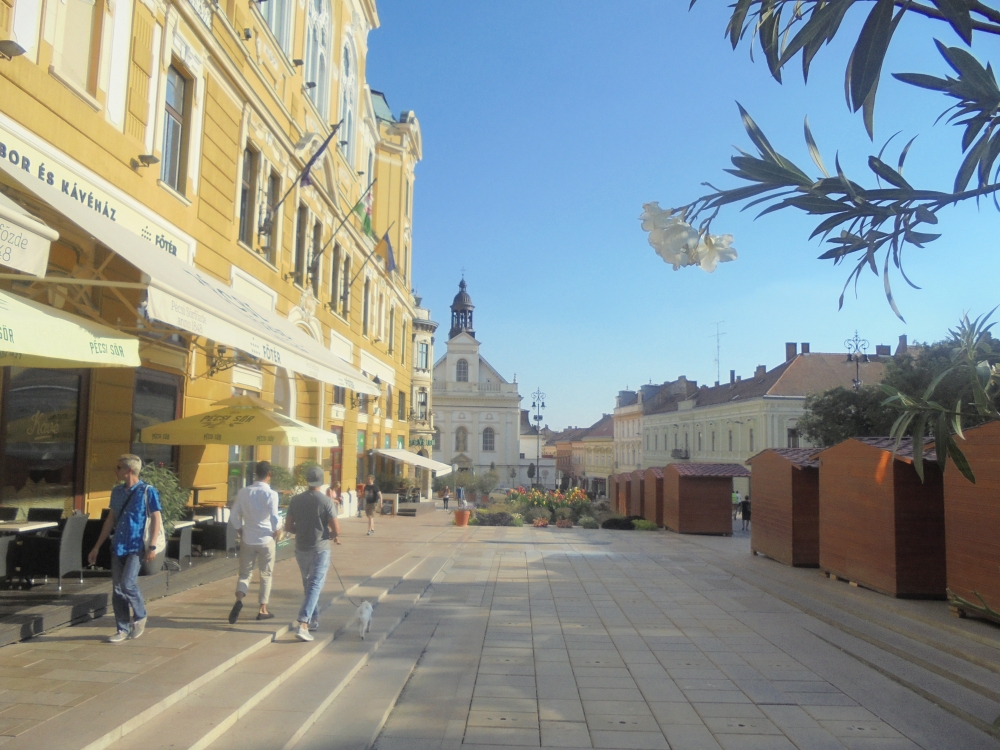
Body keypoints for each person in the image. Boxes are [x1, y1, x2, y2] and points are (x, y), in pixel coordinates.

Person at [88, 454, 162, 643]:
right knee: (118, 589)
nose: (116, 470)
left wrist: (152, 546)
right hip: (118, 544)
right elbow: (110, 520)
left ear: (129, 470)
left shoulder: (147, 491)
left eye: (119, 467)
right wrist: (97, 546)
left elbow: (156, 519)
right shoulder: (117, 492)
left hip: (136, 545)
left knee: (128, 584)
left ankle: (140, 615)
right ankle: (122, 628)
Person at [284, 466, 340, 642]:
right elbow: (336, 528)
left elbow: (288, 527)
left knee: (308, 584)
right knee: (315, 585)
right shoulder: (326, 501)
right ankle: (303, 623)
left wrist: (300, 530)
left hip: (301, 548)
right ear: (321, 482)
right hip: (320, 548)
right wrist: (331, 535)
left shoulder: (295, 500)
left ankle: (314, 618)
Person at [228, 460, 281, 624]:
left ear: (255, 474)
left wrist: (240, 529)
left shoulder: (244, 492)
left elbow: (232, 516)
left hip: (248, 537)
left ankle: (239, 598)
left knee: (245, 573)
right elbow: (274, 517)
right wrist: (277, 529)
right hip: (266, 538)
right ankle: (262, 609)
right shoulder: (271, 494)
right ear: (269, 474)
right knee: (266, 574)